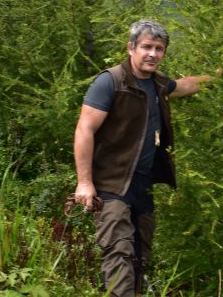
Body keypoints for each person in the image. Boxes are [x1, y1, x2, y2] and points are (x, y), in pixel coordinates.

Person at [74, 19, 210, 296]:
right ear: (131, 48)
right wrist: (84, 183)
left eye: (159, 49)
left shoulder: (158, 84)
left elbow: (184, 86)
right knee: (118, 250)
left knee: (139, 255)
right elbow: (84, 129)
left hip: (142, 183)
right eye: (147, 47)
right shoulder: (111, 81)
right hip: (112, 183)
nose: (153, 54)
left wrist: (219, 76)